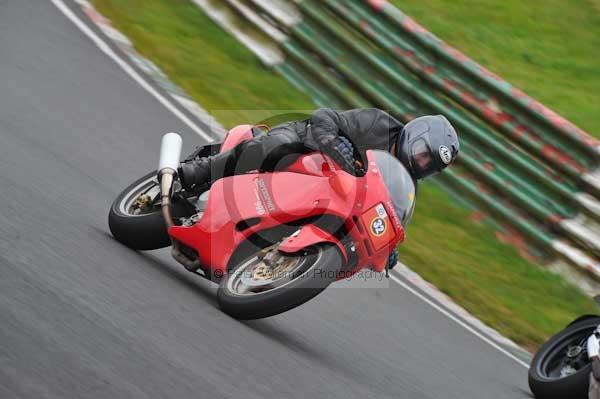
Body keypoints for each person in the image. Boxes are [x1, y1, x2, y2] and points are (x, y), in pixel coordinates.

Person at [178, 108, 460, 188]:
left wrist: (388, 248)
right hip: (306, 145)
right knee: (277, 144)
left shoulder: (404, 183)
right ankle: (201, 171)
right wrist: (331, 142)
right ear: (416, 135)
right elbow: (327, 116)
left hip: (327, 192)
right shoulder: (378, 123)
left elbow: (391, 219)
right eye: (424, 155)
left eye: (430, 166)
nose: (422, 164)